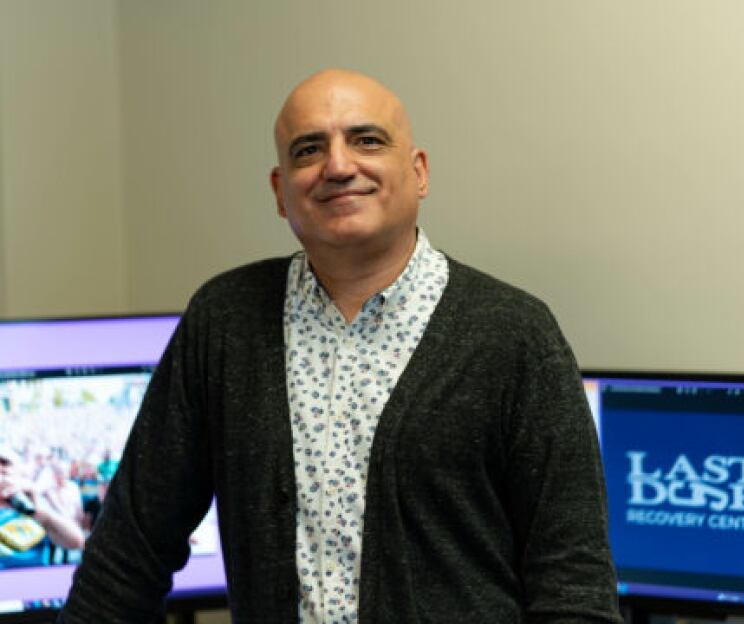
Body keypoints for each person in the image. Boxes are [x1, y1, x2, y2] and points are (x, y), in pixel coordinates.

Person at [58, 69, 621, 623]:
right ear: (281, 193)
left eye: (367, 140)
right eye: (308, 150)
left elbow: (574, 588)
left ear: (419, 171)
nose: (338, 166)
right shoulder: (225, 322)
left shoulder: (514, 334)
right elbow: (128, 555)